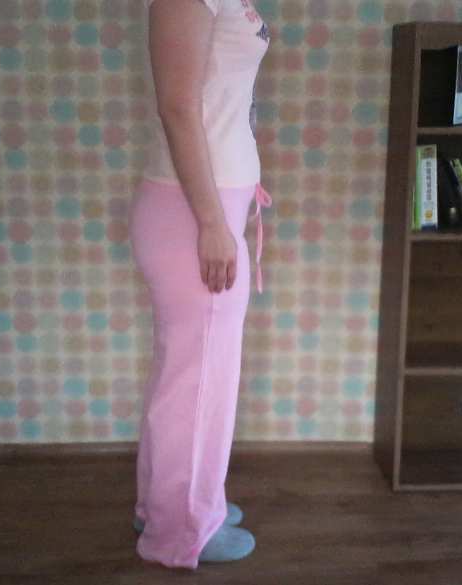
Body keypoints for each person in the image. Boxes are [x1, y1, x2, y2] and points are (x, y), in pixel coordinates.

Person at [128, 0, 271, 569]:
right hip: (192, 213)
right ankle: (183, 530)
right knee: (198, 384)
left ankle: (165, 507)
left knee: (188, 376)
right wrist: (212, 224)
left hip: (209, 204)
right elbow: (178, 107)